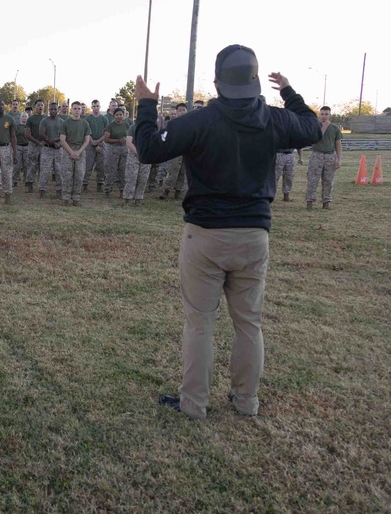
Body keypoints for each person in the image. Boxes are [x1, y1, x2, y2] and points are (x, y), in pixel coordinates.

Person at [134, 44, 321, 420]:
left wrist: (146, 106)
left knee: (200, 323)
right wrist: (287, 91)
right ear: (255, 80)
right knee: (248, 323)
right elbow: (313, 128)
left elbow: (149, 150)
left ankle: (194, 404)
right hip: (254, 234)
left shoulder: (200, 121)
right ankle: (246, 401)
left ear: (216, 82)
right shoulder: (273, 119)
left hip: (205, 234)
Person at [305, 106, 342, 210]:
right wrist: (322, 126)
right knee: (313, 179)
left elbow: (338, 144)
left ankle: (326, 202)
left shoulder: (335, 128)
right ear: (319, 115)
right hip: (317, 154)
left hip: (330, 155)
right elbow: (312, 139)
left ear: (330, 115)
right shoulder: (315, 126)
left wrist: (339, 159)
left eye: (326, 114)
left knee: (328, 180)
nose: (324, 116)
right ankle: (310, 201)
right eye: (322, 114)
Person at [59, 101, 91, 206]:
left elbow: (87, 140)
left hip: (80, 150)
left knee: (79, 174)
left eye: (79, 109)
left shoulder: (85, 123)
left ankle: (76, 197)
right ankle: (66, 197)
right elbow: (62, 140)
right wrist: (71, 152)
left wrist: (78, 152)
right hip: (68, 149)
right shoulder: (65, 123)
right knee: (67, 174)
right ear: (71, 110)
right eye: (75, 108)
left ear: (82, 110)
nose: (77, 110)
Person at [160, 103, 189, 200]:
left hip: (187, 150)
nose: (182, 112)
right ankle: (166, 191)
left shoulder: (191, 123)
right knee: (173, 170)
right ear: (176, 112)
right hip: (175, 150)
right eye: (180, 110)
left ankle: (178, 191)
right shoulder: (172, 124)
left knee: (182, 172)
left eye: (183, 110)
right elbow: (166, 136)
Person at [122, 121, 152, 206]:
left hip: (146, 155)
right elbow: (129, 142)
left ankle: (138, 199)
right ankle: (127, 199)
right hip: (134, 154)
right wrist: (138, 153)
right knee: (131, 177)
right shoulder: (133, 127)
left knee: (143, 178)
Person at [37, 102, 62, 199]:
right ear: (48, 110)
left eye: (55, 109)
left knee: (59, 171)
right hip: (47, 149)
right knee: (45, 171)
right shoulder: (44, 121)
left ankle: (59, 190)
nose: (53, 111)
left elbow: (63, 135)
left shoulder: (61, 122)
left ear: (58, 110)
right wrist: (50, 141)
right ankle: (42, 190)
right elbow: (41, 134)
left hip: (58, 149)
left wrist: (56, 141)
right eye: (51, 109)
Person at [103, 108, 129, 197]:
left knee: (123, 170)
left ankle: (122, 190)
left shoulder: (126, 125)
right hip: (112, 150)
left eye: (121, 115)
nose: (119, 117)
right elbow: (106, 139)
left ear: (123, 115)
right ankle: (107, 190)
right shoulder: (110, 126)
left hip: (124, 150)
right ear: (114, 116)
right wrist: (118, 140)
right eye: (117, 115)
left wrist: (125, 140)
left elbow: (129, 136)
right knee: (111, 170)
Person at [83, 100, 108, 192]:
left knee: (101, 166)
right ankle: (85, 184)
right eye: (94, 106)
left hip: (101, 144)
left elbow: (106, 133)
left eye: (97, 106)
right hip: (90, 144)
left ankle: (100, 184)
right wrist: (92, 141)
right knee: (88, 165)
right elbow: (86, 132)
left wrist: (98, 142)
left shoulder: (104, 119)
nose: (96, 108)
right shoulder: (87, 119)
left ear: (100, 106)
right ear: (92, 107)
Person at [24, 99, 46, 193]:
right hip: (33, 145)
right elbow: (27, 134)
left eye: (42, 105)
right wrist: (37, 142)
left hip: (44, 145)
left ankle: (41, 186)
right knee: (32, 165)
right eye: (38, 105)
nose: (40, 106)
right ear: (35, 107)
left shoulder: (46, 118)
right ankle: (30, 184)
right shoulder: (31, 119)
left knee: (43, 166)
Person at [13, 110, 30, 187]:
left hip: (27, 147)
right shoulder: (17, 126)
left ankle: (27, 180)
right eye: (23, 116)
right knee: (17, 165)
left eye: (25, 116)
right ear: (20, 118)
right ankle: (15, 180)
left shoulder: (29, 127)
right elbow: (13, 136)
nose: (24, 118)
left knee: (26, 165)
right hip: (18, 147)